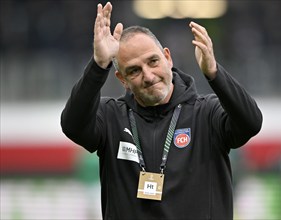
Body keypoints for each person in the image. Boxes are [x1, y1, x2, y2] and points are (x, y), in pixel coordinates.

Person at [61, 2, 263, 220]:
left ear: (167, 57)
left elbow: (251, 122)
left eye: (153, 61)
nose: (148, 76)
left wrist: (214, 73)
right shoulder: (111, 117)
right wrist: (98, 66)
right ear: (123, 80)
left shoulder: (207, 113)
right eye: (134, 70)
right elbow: (72, 125)